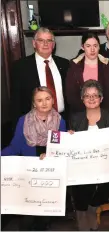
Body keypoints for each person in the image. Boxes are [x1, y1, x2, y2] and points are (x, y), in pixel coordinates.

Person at [1, 86, 66, 231]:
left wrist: (50, 154)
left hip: (49, 170)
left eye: (47, 99)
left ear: (53, 100)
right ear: (34, 103)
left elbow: (60, 147)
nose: (44, 103)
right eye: (40, 100)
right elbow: (15, 147)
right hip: (29, 170)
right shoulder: (23, 120)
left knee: (45, 216)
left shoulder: (60, 121)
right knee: (28, 217)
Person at [69, 80, 109, 231]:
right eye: (87, 96)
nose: (91, 99)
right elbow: (71, 148)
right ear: (82, 99)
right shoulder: (75, 118)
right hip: (83, 165)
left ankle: (92, 206)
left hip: (106, 164)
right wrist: (70, 136)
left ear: (101, 98)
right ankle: (81, 211)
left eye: (95, 96)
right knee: (80, 181)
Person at [10, 28, 69, 124]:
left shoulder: (65, 64)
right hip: (34, 123)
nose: (45, 44)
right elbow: (16, 102)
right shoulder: (20, 67)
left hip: (63, 120)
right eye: (41, 40)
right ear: (34, 43)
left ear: (53, 45)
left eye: (49, 41)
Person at [65, 32, 109, 114]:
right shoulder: (74, 66)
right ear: (82, 47)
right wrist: (85, 113)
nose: (92, 49)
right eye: (88, 46)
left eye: (95, 45)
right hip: (81, 116)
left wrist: (108, 110)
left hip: (105, 116)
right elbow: (70, 95)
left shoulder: (108, 65)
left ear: (99, 47)